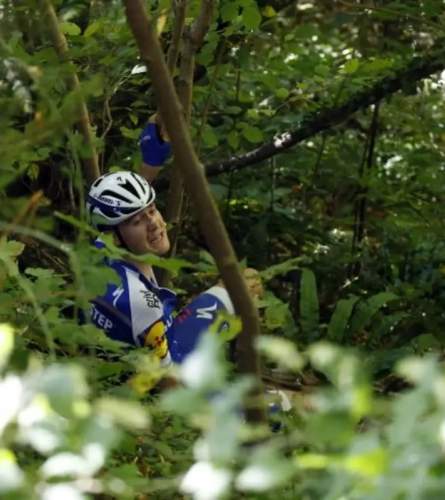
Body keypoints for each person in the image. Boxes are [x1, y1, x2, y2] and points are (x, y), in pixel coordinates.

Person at [83, 115, 291, 427]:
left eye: (152, 210)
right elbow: (169, 387)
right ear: (116, 235)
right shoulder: (138, 302)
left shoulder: (103, 247)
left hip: (159, 342)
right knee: (282, 406)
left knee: (242, 283)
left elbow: (130, 203)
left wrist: (153, 153)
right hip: (165, 373)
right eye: (138, 221)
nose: (154, 223)